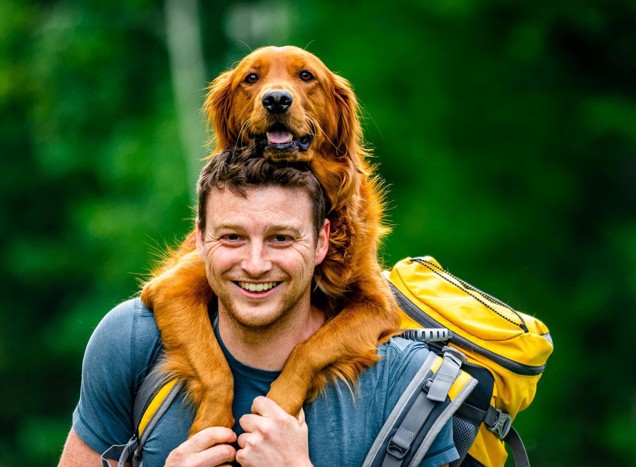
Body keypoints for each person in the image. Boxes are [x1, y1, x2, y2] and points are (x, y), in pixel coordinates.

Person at [58, 148, 459, 466]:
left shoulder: (406, 381)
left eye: (281, 239)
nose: (254, 263)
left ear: (321, 241)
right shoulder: (132, 343)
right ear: (199, 239)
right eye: (232, 237)